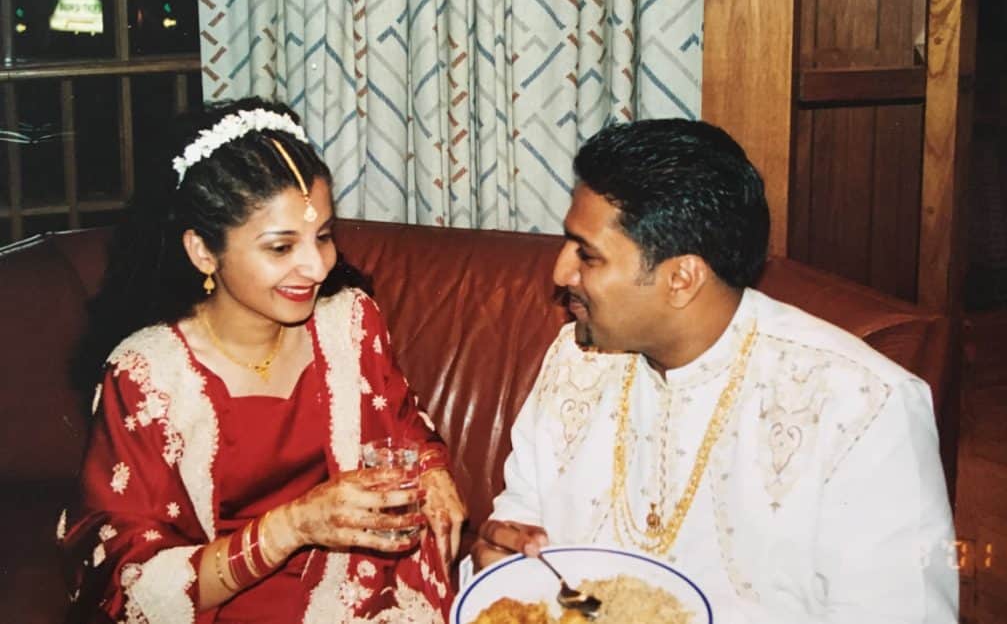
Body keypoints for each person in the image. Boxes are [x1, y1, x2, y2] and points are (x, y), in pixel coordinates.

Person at [471, 120, 957, 623]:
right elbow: (524, 511)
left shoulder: (862, 407)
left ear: (681, 278)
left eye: (587, 255)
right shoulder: (576, 357)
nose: (560, 273)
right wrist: (504, 555)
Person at [60, 98, 465, 624]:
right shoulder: (148, 377)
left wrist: (433, 473)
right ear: (204, 251)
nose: (317, 267)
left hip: (359, 588)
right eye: (280, 247)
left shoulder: (347, 323)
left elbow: (402, 429)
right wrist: (292, 526)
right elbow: (124, 582)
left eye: (322, 237)